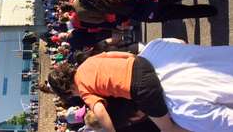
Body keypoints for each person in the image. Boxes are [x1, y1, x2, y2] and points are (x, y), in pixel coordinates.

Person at [48, 54, 188, 132]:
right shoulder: (87, 63)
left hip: (140, 88)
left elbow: (100, 111)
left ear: (68, 90)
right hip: (140, 63)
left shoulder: (83, 89)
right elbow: (115, 54)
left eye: (72, 95)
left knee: (168, 129)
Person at [139, 38, 233, 132]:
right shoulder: (152, 47)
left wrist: (169, 128)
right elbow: (181, 42)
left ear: (135, 117)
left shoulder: (182, 111)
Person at [71, 0, 222, 23]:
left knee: (182, 12)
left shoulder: (110, 14)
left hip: (145, 14)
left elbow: (110, 20)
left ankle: (210, 10)